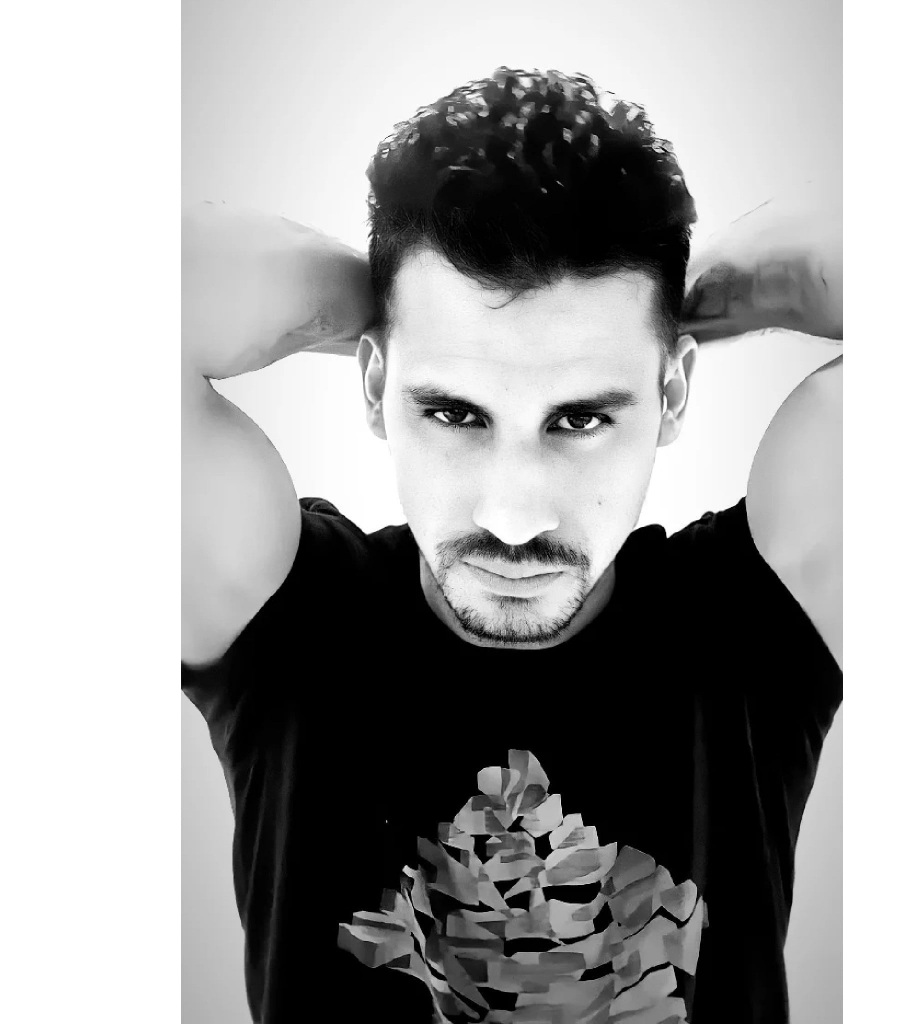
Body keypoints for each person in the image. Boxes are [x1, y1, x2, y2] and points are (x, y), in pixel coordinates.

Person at [182, 68, 842, 1024]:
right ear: (375, 387)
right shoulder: (283, 620)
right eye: (454, 411)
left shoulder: (756, 624)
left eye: (580, 418)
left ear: (671, 395)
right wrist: (377, 295)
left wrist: (715, 288)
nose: (515, 516)